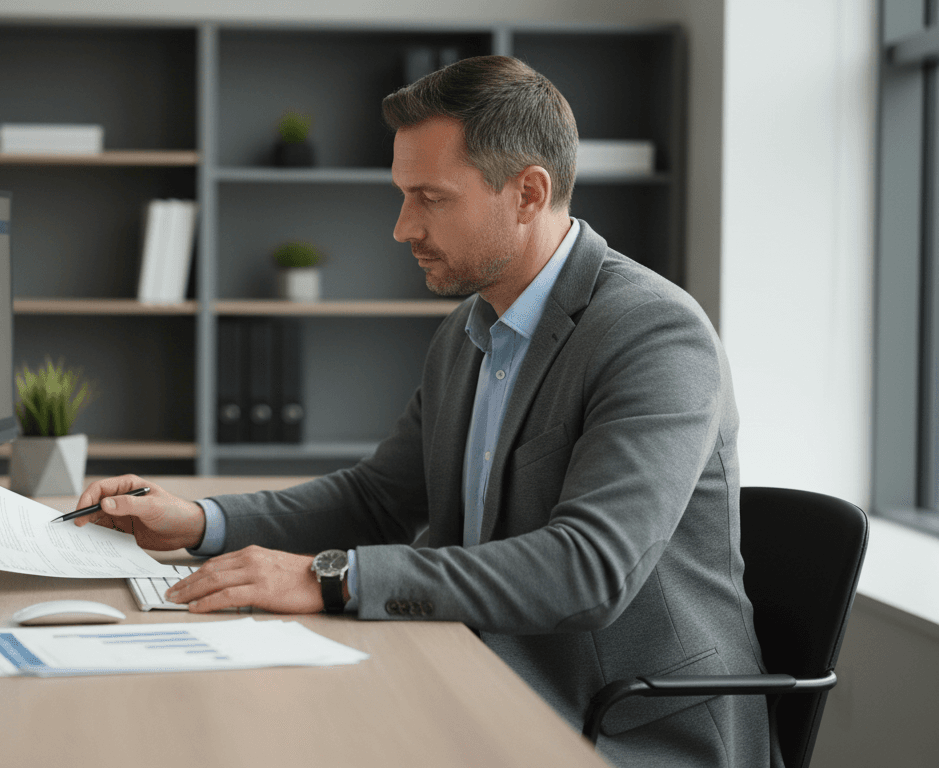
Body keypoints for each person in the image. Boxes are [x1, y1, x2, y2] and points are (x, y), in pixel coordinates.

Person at [72, 56, 777, 768]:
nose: (402, 227)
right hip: (479, 670)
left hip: (621, 723)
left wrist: (329, 576)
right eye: (403, 195)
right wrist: (200, 522)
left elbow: (590, 569)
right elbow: (380, 500)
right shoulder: (470, 330)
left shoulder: (653, 333)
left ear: (528, 193)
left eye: (430, 197)